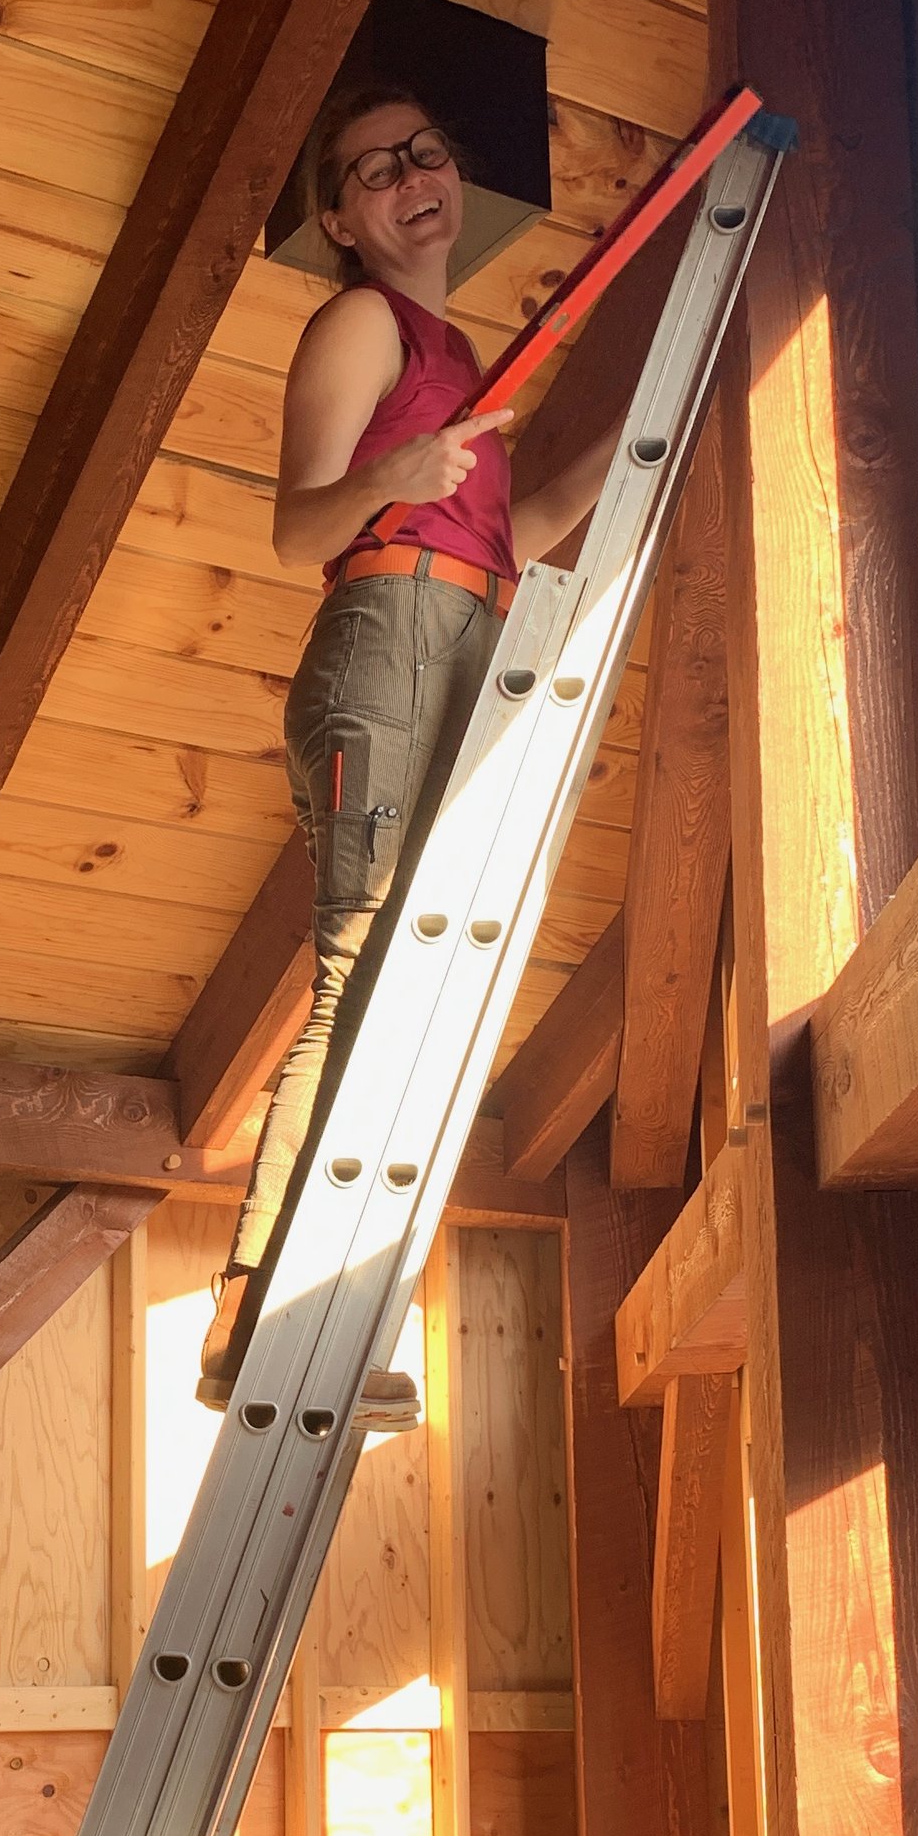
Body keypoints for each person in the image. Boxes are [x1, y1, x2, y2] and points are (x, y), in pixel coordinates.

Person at [197, 84, 612, 1413]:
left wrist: (635, 438)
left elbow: (520, 524)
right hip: (389, 636)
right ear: (340, 216)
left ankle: (322, 1309)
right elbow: (295, 531)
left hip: (458, 636)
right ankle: (264, 1309)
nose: (414, 176)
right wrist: (398, 474)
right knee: (366, 972)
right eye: (378, 169)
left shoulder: (460, 350)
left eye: (430, 151)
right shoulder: (363, 322)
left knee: (418, 986)